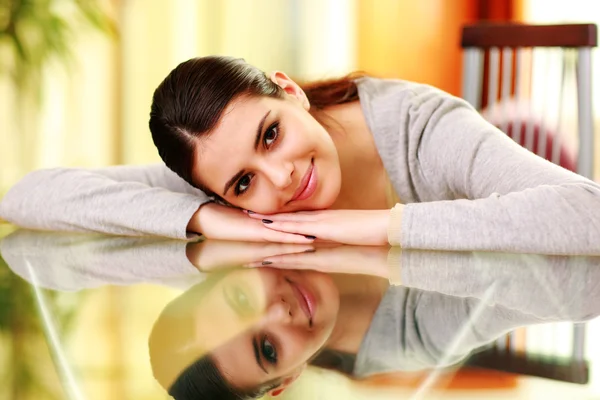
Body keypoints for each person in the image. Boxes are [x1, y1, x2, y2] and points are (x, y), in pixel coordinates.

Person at [1, 56, 599, 254]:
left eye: (270, 134)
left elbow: (587, 212)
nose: (279, 177)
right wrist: (205, 218)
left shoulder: (421, 129)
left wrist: (369, 226)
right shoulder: (221, 186)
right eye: (242, 183)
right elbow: (28, 194)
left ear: (290, 92)